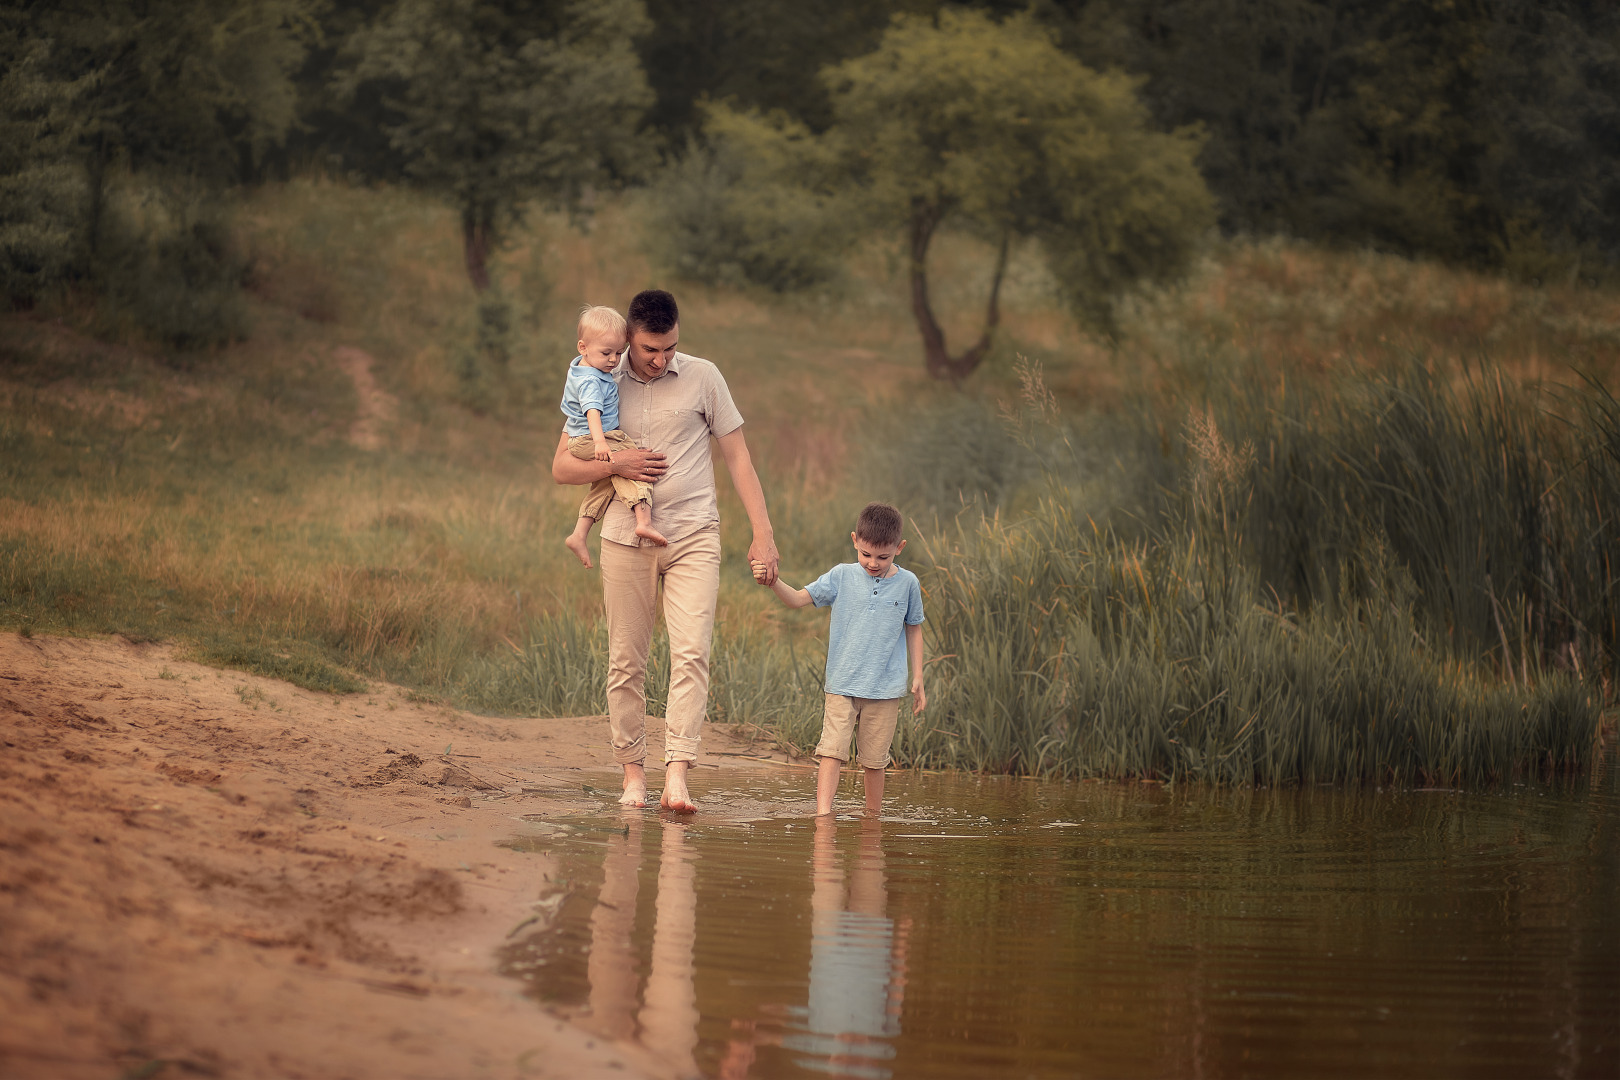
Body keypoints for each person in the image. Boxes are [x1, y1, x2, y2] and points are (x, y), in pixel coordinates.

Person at [550, 289, 780, 812]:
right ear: (629, 339)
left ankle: (678, 774)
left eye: (670, 348)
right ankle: (633, 774)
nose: (661, 359)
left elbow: (739, 459)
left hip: (695, 534)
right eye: (650, 350)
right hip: (624, 538)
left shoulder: (705, 377)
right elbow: (562, 467)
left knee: (692, 653)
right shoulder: (597, 380)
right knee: (625, 662)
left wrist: (762, 533)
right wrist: (617, 466)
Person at [754, 502, 925, 817]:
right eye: (866, 554)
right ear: (854, 541)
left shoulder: (908, 584)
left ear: (899, 548)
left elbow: (914, 629)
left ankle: (872, 819)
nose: (873, 563)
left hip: (885, 689)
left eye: (883, 557)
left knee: (875, 761)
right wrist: (773, 581)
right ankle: (823, 816)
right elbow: (796, 600)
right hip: (842, 684)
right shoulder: (841, 576)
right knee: (831, 753)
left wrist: (918, 677)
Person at [559, 304, 667, 567]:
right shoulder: (591, 381)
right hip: (594, 437)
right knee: (635, 460)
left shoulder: (585, 369)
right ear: (582, 347)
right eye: (606, 352)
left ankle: (579, 533)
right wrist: (601, 443)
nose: (613, 360)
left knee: (606, 480)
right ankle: (643, 521)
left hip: (584, 438)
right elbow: (592, 412)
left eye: (619, 352)